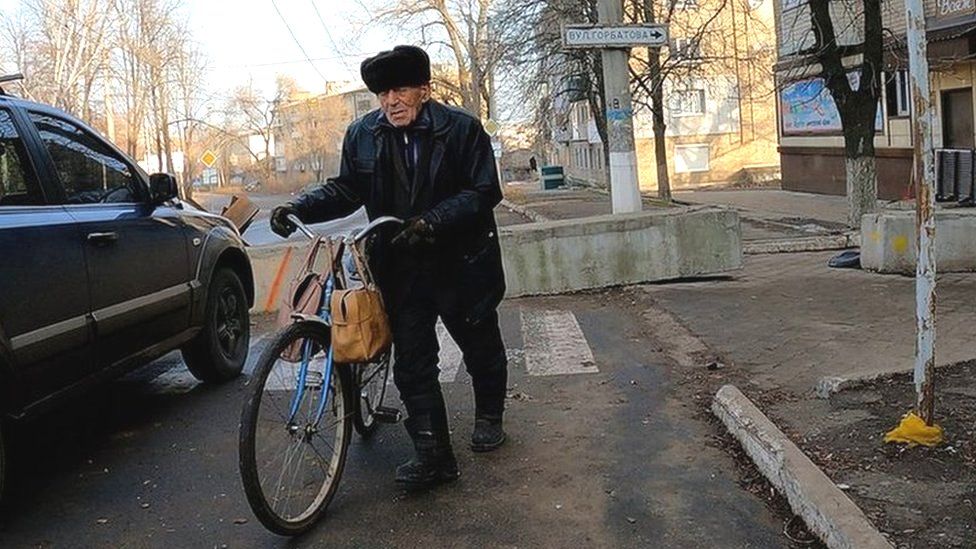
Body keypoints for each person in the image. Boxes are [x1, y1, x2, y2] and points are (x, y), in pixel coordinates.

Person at [270, 45, 508, 487]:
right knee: (413, 363)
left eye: (399, 90)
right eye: (382, 93)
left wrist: (432, 221)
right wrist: (297, 206)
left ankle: (490, 415)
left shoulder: (461, 130)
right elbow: (345, 189)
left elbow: (482, 191)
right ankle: (434, 456)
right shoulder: (363, 134)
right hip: (400, 265)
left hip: (460, 261)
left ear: (424, 90)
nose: (390, 101)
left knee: (479, 343)